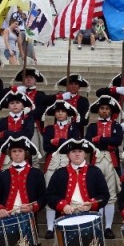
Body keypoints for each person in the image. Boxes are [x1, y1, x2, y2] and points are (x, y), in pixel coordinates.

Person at [46, 139, 110, 246]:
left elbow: (104, 195)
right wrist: (62, 205)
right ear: (68, 155)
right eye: (73, 152)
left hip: (88, 220)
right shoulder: (59, 173)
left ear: (85, 154)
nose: (77, 154)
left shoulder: (95, 172)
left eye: (80, 152)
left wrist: (92, 205)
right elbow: (50, 196)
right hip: (65, 221)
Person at [41, 100, 82, 238]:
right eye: (58, 111)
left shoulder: (73, 128)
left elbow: (75, 144)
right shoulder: (49, 129)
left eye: (63, 111)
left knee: (67, 193)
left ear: (67, 114)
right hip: (52, 161)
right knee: (49, 192)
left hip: (67, 160)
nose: (60, 113)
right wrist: (63, 142)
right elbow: (46, 146)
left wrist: (56, 141)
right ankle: (50, 227)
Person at [85, 96, 124, 239]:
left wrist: (99, 139)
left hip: (112, 161)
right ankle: (97, 225)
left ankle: (108, 227)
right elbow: (89, 143)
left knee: (111, 195)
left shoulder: (116, 126)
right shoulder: (92, 126)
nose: (104, 111)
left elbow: (117, 140)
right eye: (102, 108)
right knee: (96, 193)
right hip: (96, 160)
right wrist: (106, 142)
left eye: (107, 108)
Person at [0, 89, 35, 174]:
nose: (14, 105)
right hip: (5, 158)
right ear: (8, 106)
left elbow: (27, 136)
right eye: (12, 103)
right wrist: (17, 137)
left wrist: (6, 133)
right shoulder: (2, 121)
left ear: (23, 105)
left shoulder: (28, 120)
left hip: (23, 157)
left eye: (17, 102)